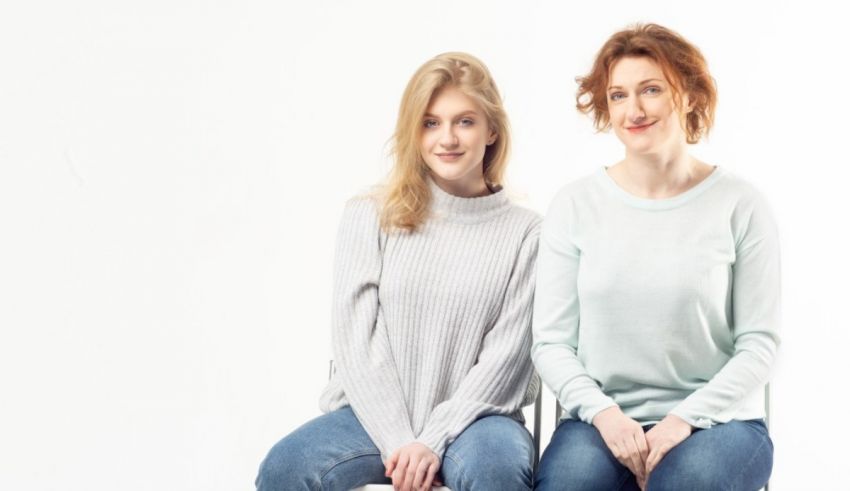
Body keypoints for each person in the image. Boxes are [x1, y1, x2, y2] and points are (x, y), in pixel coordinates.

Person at [256, 52, 541, 491]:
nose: (447, 138)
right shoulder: (369, 213)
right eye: (430, 123)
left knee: (496, 472)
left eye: (464, 121)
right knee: (285, 468)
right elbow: (356, 340)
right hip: (373, 418)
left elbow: (506, 359)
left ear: (492, 130)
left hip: (479, 420)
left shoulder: (526, 232)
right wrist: (401, 442)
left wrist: (433, 439)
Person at [532, 24, 778, 491]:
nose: (635, 110)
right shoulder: (575, 204)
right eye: (619, 95)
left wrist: (683, 419)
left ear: (687, 95)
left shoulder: (740, 204)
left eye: (651, 90)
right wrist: (605, 415)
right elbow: (551, 343)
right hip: (599, 422)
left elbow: (759, 345)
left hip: (719, 423)